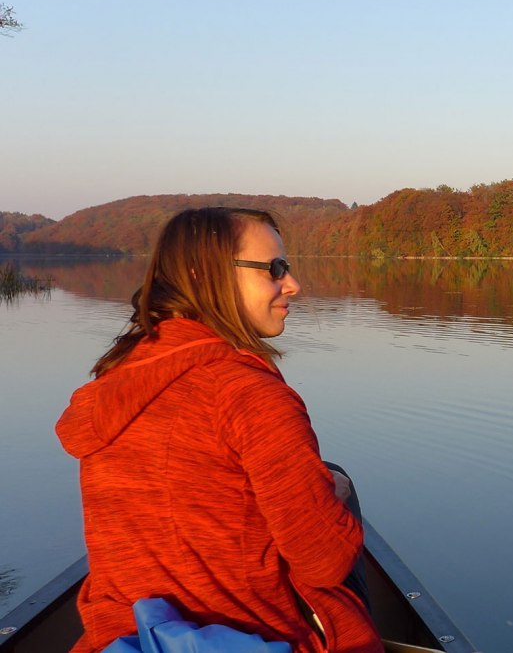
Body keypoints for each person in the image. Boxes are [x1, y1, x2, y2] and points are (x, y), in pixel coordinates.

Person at [56, 207, 381, 653]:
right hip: (258, 637)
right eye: (274, 269)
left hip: (128, 637)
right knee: (338, 483)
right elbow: (323, 562)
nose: (292, 284)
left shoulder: (115, 383)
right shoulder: (249, 395)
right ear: (203, 275)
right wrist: (332, 498)